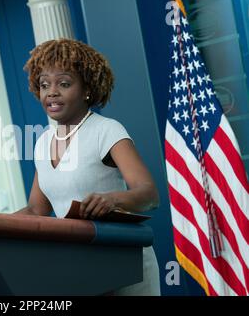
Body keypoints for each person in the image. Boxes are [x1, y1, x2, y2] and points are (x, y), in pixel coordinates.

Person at [14, 38, 161, 296]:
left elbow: (149, 194)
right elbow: (38, 209)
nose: (52, 92)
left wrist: (113, 200)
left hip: (124, 259)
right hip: (79, 264)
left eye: (64, 83)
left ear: (87, 90)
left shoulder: (107, 130)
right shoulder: (42, 142)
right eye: (44, 85)